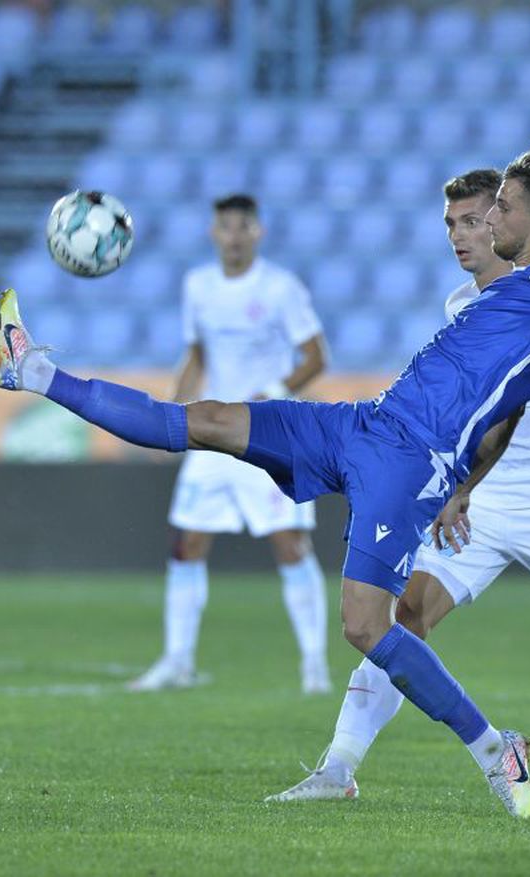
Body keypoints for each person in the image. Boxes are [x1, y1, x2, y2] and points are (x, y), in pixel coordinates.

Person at [0, 143, 530, 818]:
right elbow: (497, 417)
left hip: (517, 496)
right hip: (374, 434)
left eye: (494, 209)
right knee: (204, 422)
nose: (477, 221)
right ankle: (38, 370)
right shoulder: (477, 303)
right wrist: (467, 483)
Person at [266, 167, 530, 801]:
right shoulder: (461, 307)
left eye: (476, 220)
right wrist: (456, 486)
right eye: (452, 224)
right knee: (402, 618)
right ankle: (338, 769)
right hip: (476, 498)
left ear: (510, 224)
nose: (463, 235)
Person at [128, 194, 332, 695]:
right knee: (187, 544)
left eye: (244, 226)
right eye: (226, 226)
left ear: (258, 232)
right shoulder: (197, 286)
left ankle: (314, 666)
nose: (235, 235)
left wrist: (277, 393)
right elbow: (195, 354)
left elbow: (315, 356)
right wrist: (169, 417)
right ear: (212, 232)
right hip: (213, 432)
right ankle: (177, 660)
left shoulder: (280, 288)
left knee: (289, 545)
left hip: (266, 432)